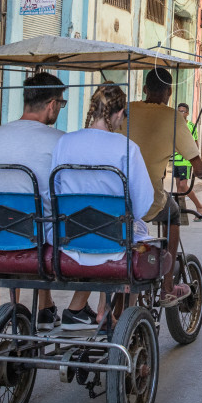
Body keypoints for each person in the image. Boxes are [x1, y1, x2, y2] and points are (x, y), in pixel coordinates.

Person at [48, 83, 155, 330]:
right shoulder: (127, 147)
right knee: (132, 230)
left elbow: (55, 190)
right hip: (113, 242)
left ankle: (97, 310)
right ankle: (119, 314)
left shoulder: (65, 142)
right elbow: (142, 204)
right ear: (118, 114)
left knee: (102, 229)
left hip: (69, 239)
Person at [0, 72, 66, 327]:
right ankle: (74, 309)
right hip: (36, 239)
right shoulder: (59, 140)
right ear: (52, 104)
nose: (59, 109)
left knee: (37, 211)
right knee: (57, 215)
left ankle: (46, 305)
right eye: (61, 104)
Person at [127, 69, 202, 307]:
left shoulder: (128, 109)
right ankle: (168, 286)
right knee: (173, 211)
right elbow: (198, 164)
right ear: (169, 92)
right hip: (147, 198)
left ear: (144, 90)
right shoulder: (173, 117)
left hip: (116, 194)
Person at [174, 102, 202, 220]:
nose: (180, 113)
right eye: (178, 111)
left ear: (187, 113)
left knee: (183, 185)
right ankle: (180, 213)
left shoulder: (191, 126)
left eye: (183, 111)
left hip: (186, 161)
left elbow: (195, 144)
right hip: (176, 160)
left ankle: (199, 206)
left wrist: (197, 161)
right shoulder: (174, 126)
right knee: (178, 188)